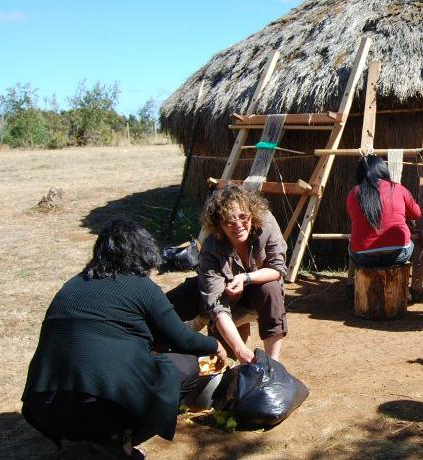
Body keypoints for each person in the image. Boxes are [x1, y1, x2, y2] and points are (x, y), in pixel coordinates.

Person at [22, 220, 228, 460]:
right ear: (143, 253)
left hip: (44, 407)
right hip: (100, 407)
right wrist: (215, 346)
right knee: (187, 367)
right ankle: (118, 440)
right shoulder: (141, 287)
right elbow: (183, 340)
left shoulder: (72, 285)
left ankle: (86, 440)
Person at [166, 185, 288, 365]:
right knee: (225, 363)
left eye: (243, 217)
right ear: (219, 225)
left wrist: (245, 278)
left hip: (259, 295)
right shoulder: (211, 247)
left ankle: (274, 366)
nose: (238, 225)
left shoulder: (266, 223)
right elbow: (217, 305)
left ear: (252, 213)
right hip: (226, 302)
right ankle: (157, 346)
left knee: (271, 288)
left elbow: (277, 269)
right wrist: (242, 352)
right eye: (229, 221)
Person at [347, 153, 422, 268]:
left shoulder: (353, 193)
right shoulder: (397, 188)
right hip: (398, 253)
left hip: (363, 258)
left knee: (351, 245)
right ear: (383, 170)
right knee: (409, 243)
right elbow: (417, 214)